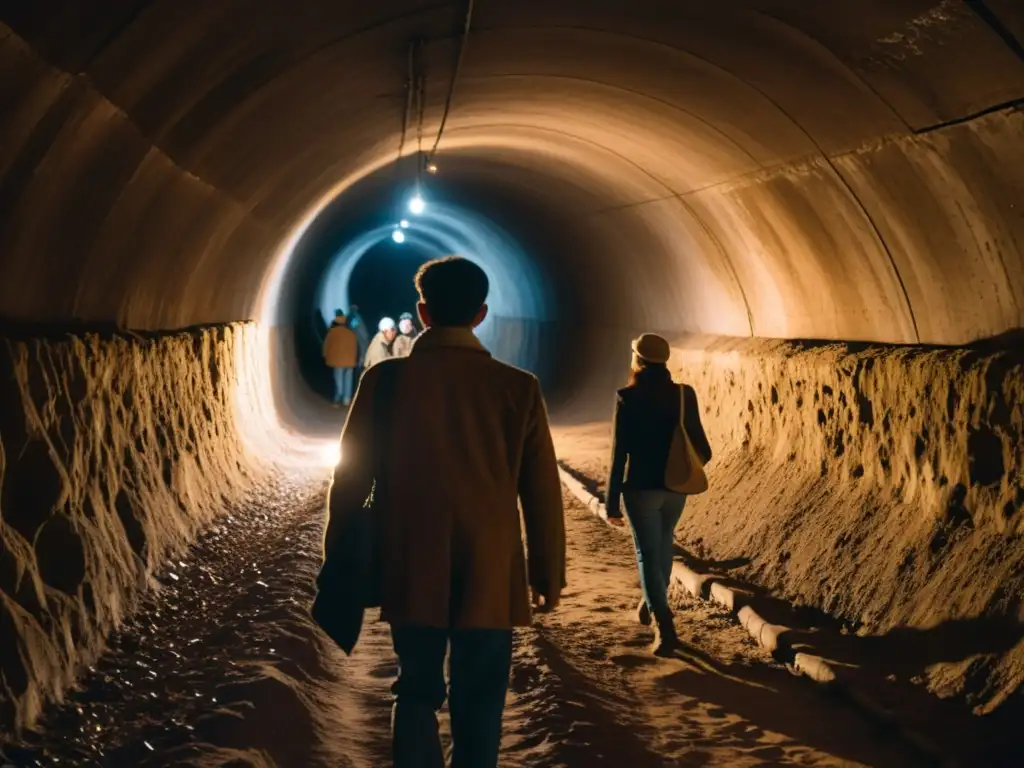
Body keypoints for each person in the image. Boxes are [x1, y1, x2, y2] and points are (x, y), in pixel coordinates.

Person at [326, 256, 565, 768]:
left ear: (423, 312)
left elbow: (350, 480)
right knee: (480, 697)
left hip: (411, 560)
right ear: (480, 314)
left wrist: (340, 562)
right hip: (491, 566)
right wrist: (548, 571)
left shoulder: (384, 383)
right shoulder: (518, 387)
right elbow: (541, 491)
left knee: (415, 688)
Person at [604, 333, 712, 657]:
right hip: (675, 488)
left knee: (647, 553)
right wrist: (680, 465)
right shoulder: (683, 395)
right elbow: (703, 449)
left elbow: (618, 455)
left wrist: (611, 501)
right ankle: (652, 603)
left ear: (637, 360)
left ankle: (664, 625)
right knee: (663, 545)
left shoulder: (627, 396)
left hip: (640, 488)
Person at [321, 310, 358, 406]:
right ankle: (347, 399)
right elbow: (355, 346)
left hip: (338, 361)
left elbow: (326, 345)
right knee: (348, 380)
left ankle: (338, 398)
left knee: (338, 380)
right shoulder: (351, 332)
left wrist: (325, 355)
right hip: (350, 361)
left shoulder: (332, 332)